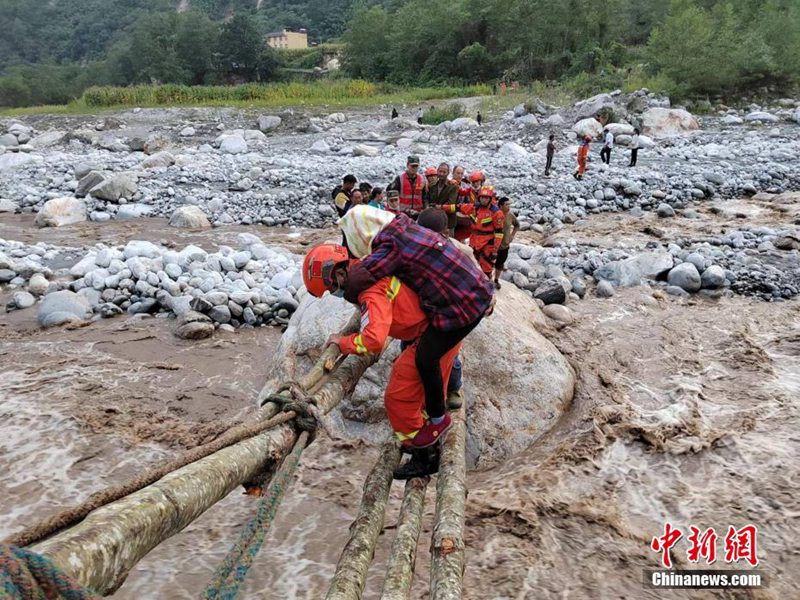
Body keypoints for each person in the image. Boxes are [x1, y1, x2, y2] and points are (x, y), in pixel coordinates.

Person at [338, 205, 495, 443]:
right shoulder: (403, 226)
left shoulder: (390, 246)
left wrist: (343, 288)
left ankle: (436, 420)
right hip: (471, 297)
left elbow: (362, 277)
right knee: (430, 357)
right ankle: (436, 412)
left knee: (426, 358)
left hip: (462, 308)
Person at [301, 243, 459, 478]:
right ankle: (425, 434)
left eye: (331, 288)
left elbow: (373, 340)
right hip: (441, 326)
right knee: (422, 389)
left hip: (432, 332)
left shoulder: (370, 291)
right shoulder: (369, 266)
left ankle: (425, 456)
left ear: (339, 274)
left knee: (398, 398)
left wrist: (343, 342)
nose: (334, 293)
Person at [443, 185, 505, 280]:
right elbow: (457, 207)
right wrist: (441, 207)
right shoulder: (474, 208)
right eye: (482, 197)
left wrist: (495, 250)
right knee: (471, 264)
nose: (483, 200)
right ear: (479, 197)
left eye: (486, 198)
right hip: (474, 240)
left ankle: (487, 285)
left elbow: (499, 233)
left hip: (487, 243)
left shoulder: (496, 213)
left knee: (486, 268)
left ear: (490, 198)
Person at [493, 197, 520, 289]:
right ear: (500, 206)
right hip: (493, 243)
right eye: (506, 204)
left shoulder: (510, 215)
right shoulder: (495, 214)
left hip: (505, 244)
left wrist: (512, 235)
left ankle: (496, 280)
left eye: (509, 204)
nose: (509, 206)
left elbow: (517, 225)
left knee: (500, 263)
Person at [427, 163, 458, 231]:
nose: (441, 174)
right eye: (440, 171)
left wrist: (437, 207)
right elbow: (428, 199)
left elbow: (450, 203)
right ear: (437, 171)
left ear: (448, 173)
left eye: (444, 172)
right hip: (435, 221)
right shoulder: (432, 186)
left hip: (448, 222)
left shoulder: (452, 186)